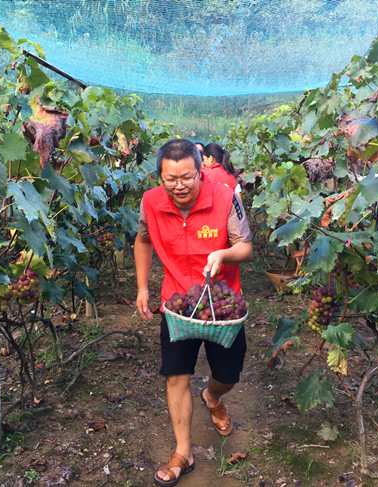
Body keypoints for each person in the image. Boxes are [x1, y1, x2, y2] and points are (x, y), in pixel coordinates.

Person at [134, 139, 253, 486]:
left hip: (222, 304)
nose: (179, 186)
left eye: (187, 177)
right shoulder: (150, 201)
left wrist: (223, 254)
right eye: (171, 179)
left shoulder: (225, 197)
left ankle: (213, 395)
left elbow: (245, 247)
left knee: (228, 375)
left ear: (201, 171)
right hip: (177, 303)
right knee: (176, 375)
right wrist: (142, 287)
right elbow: (143, 239)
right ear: (160, 176)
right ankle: (182, 453)